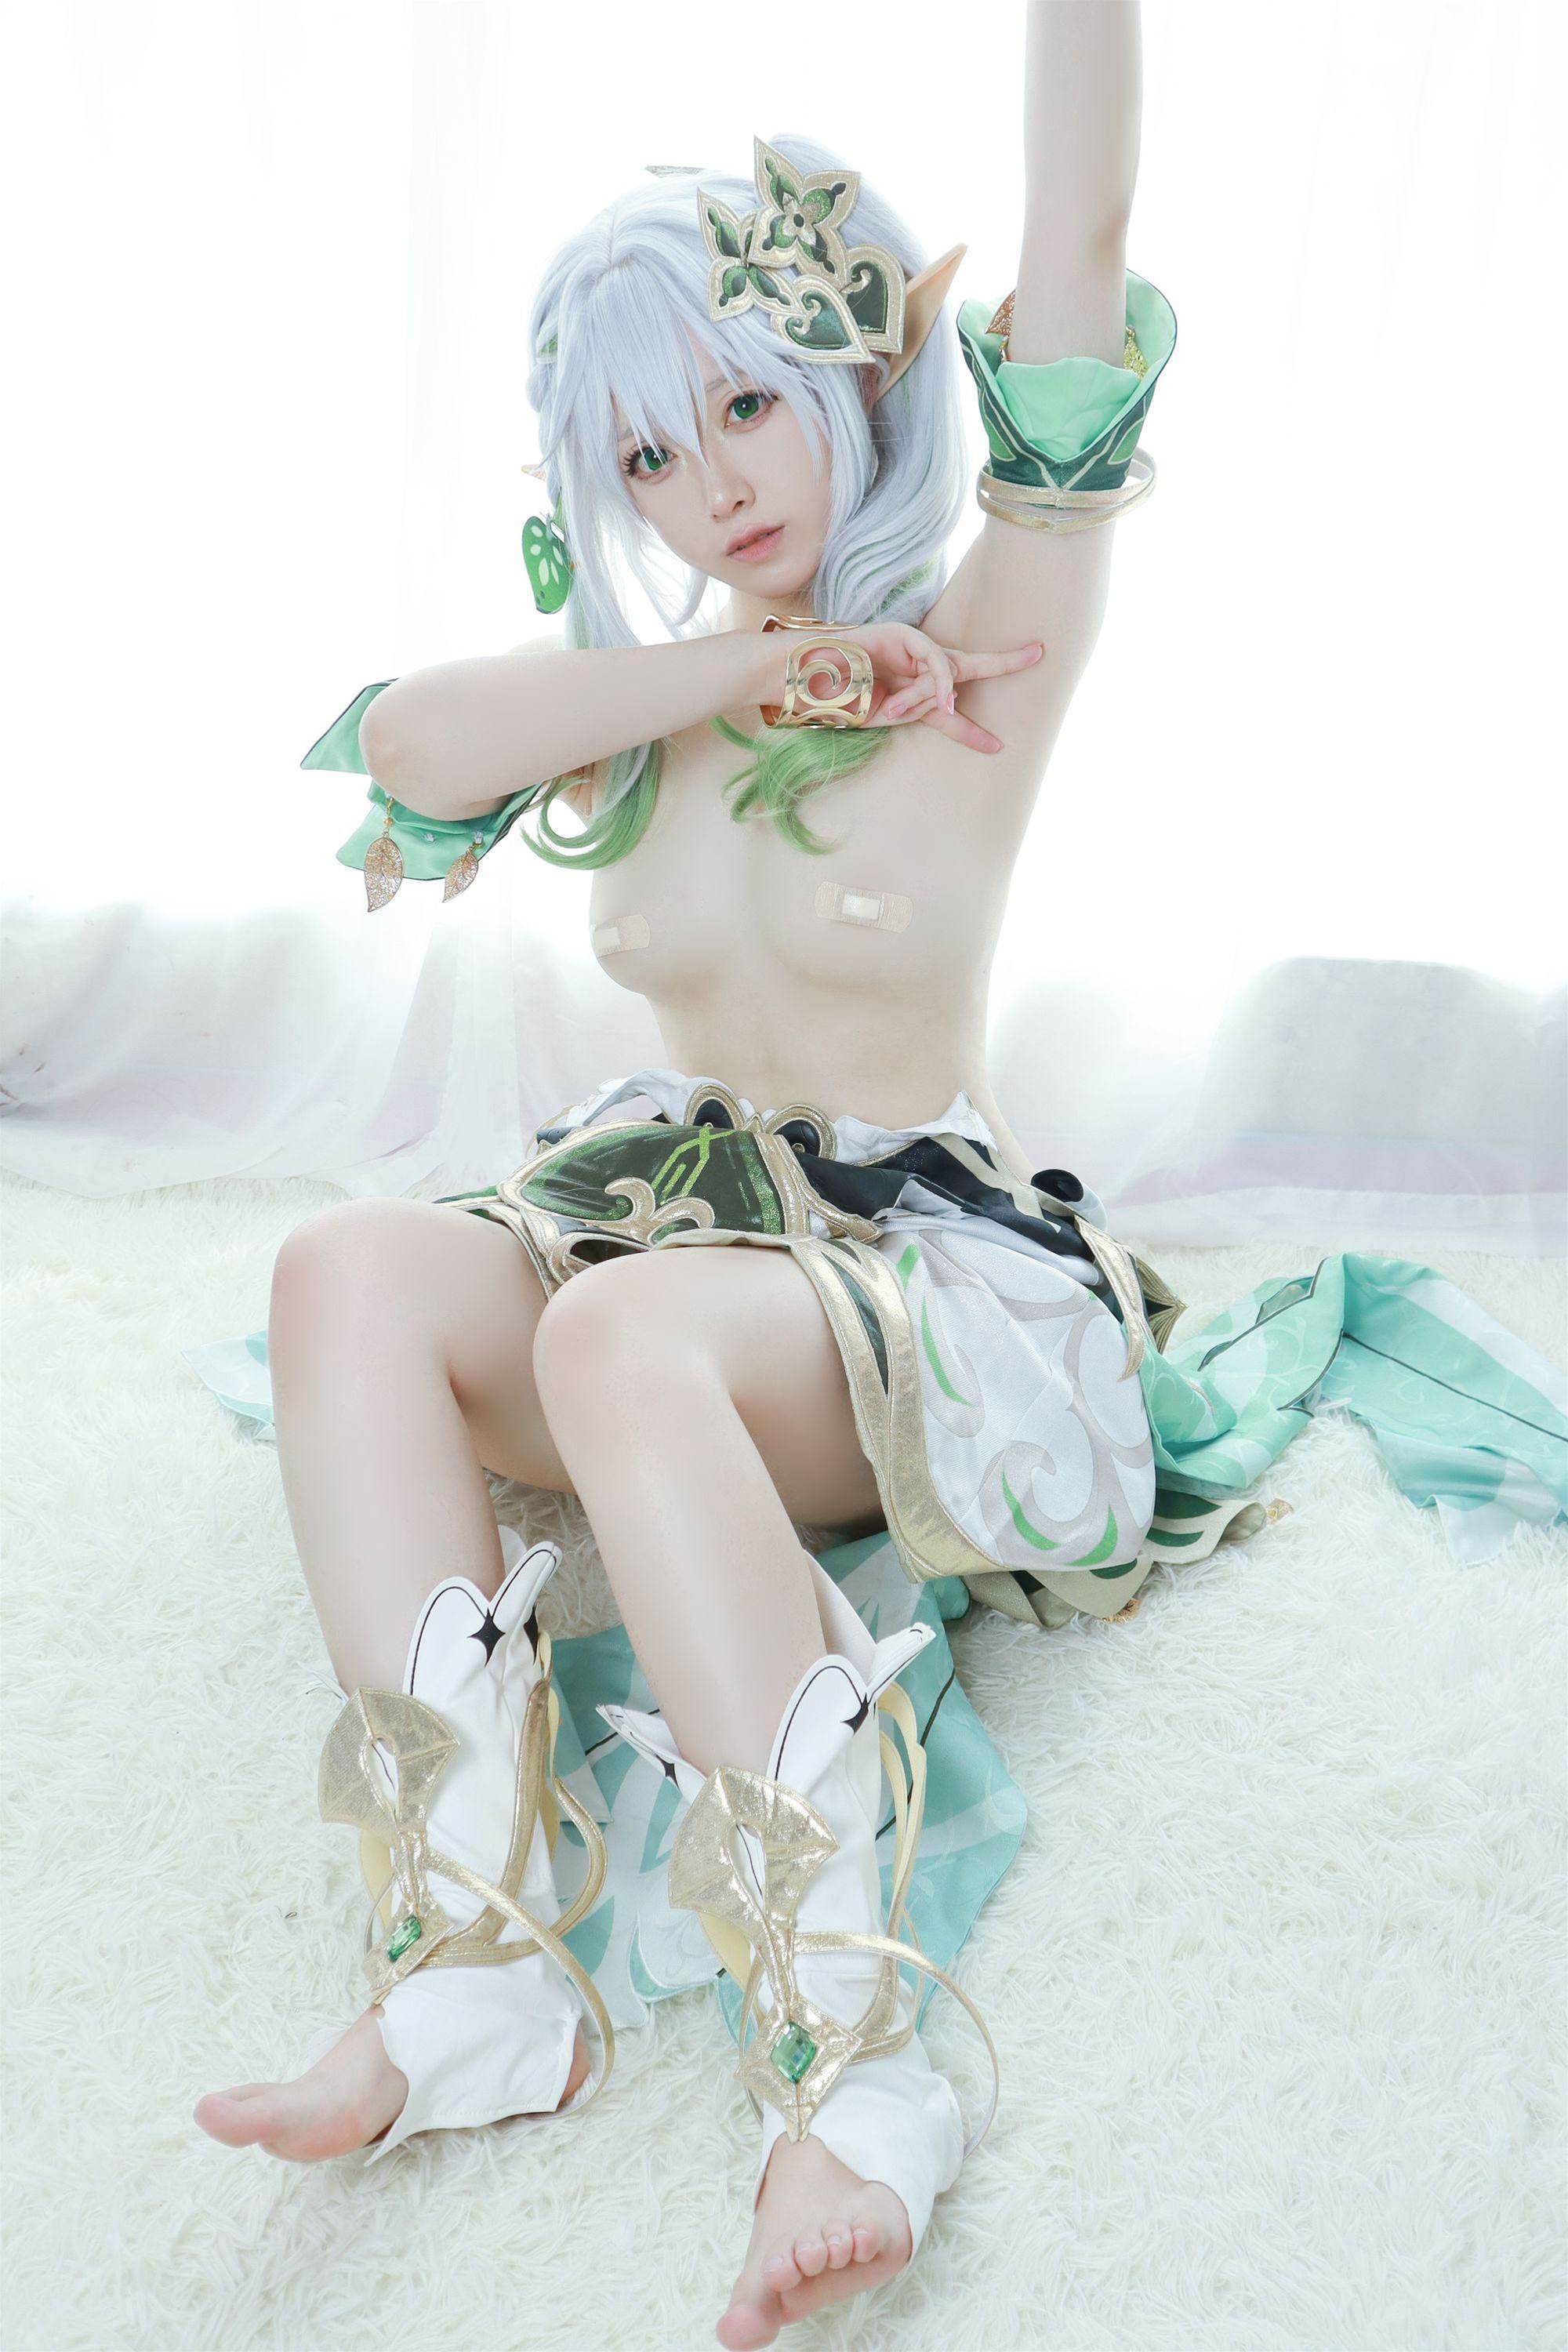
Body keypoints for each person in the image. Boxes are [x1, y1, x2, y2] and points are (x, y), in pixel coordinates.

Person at [189, 9, 1567, 2347]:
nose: (711, 482)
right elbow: (409, 745)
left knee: (621, 1339)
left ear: (857, 371)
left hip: (913, 1277)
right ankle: (471, 1959)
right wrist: (736, 678)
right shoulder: (650, 720)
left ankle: (852, 2062)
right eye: (647, 448)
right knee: (344, 1271)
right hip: (657, 1229)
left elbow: (1083, 230)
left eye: (747, 399)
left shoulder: (989, 648)